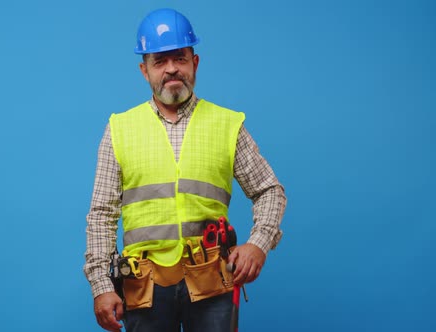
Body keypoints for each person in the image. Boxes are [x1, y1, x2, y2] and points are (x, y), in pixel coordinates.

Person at [84, 8, 287, 332]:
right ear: (144, 70)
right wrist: (102, 286)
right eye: (160, 62)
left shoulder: (227, 124)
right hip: (144, 287)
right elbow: (101, 215)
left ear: (195, 62)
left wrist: (258, 244)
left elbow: (269, 191)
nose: (171, 69)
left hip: (213, 282)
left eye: (179, 58)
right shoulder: (119, 129)